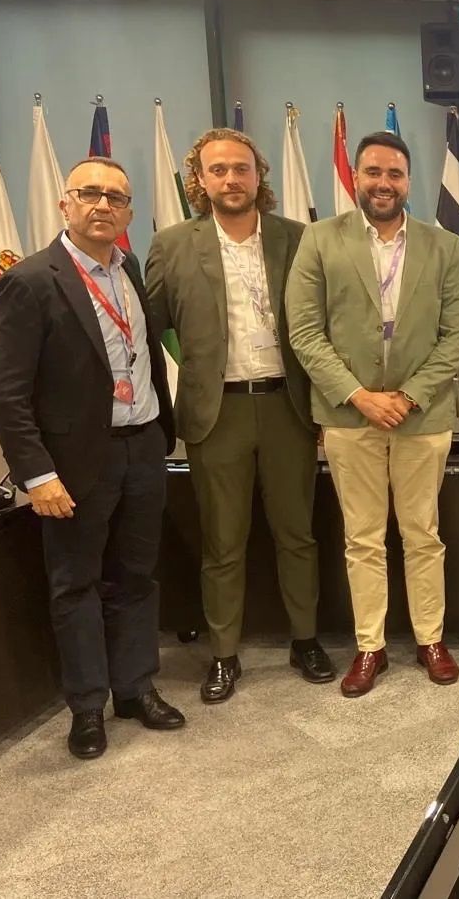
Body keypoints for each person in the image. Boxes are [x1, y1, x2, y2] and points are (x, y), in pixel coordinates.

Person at [0, 157, 182, 759]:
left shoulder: (131, 271)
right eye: (90, 193)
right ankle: (88, 706)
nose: (104, 205)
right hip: (74, 464)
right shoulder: (33, 280)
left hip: (143, 446)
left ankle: (134, 688)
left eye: (117, 198)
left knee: (137, 579)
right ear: (65, 204)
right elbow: (5, 391)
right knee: (77, 585)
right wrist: (37, 474)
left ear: (127, 212)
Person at [145, 128, 333, 704]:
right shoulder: (173, 244)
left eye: (242, 169)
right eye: (218, 169)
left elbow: (324, 320)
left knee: (297, 534)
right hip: (215, 411)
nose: (231, 179)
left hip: (287, 406)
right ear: (198, 179)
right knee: (223, 542)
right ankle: (224, 654)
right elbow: (147, 330)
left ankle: (305, 639)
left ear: (260, 175)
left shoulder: (297, 238)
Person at [285, 131, 459, 696]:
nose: (383, 184)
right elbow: (304, 331)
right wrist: (359, 396)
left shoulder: (442, 247)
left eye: (394, 174)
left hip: (422, 416)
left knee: (423, 534)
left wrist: (411, 395)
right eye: (373, 173)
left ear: (408, 181)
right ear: (357, 178)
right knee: (362, 538)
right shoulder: (320, 240)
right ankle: (370, 647)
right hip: (350, 417)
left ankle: (429, 639)